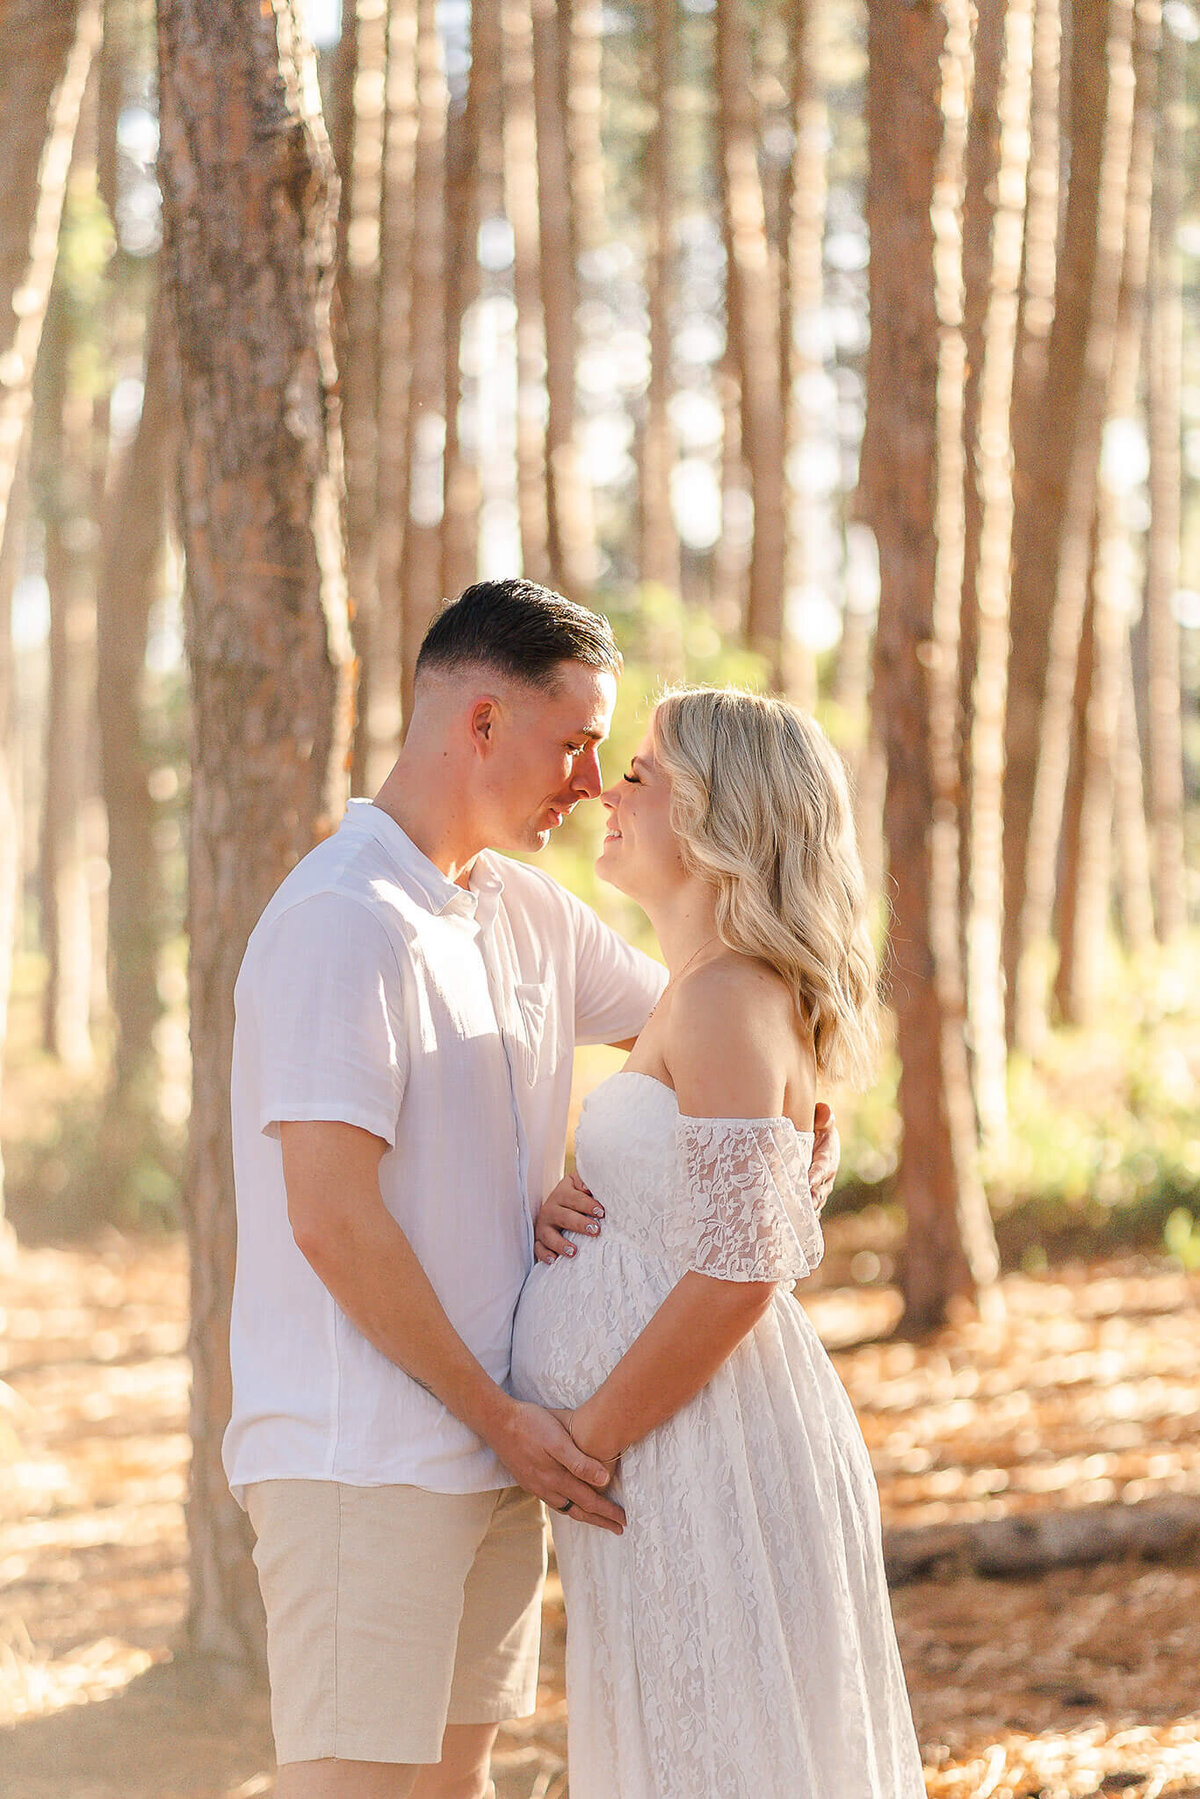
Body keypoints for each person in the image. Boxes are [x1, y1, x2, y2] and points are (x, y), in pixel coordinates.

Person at [223, 577, 844, 1799]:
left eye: (611, 753)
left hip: (495, 1456)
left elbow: (717, 1030)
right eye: (574, 741)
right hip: (368, 1458)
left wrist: (595, 1161)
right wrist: (505, 1416)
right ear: (481, 723)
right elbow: (330, 1219)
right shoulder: (343, 922)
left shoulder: (524, 910)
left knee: (456, 1784)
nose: (592, 779)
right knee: (349, 1787)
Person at [511, 686, 926, 1799]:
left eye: (639, 772)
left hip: (699, 1443)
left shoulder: (730, 998)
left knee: (724, 1754)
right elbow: (717, 1212)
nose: (606, 786)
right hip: (667, 1447)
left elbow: (745, 1269)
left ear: (719, 814)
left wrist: (588, 1435)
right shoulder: (692, 994)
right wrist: (576, 1186)